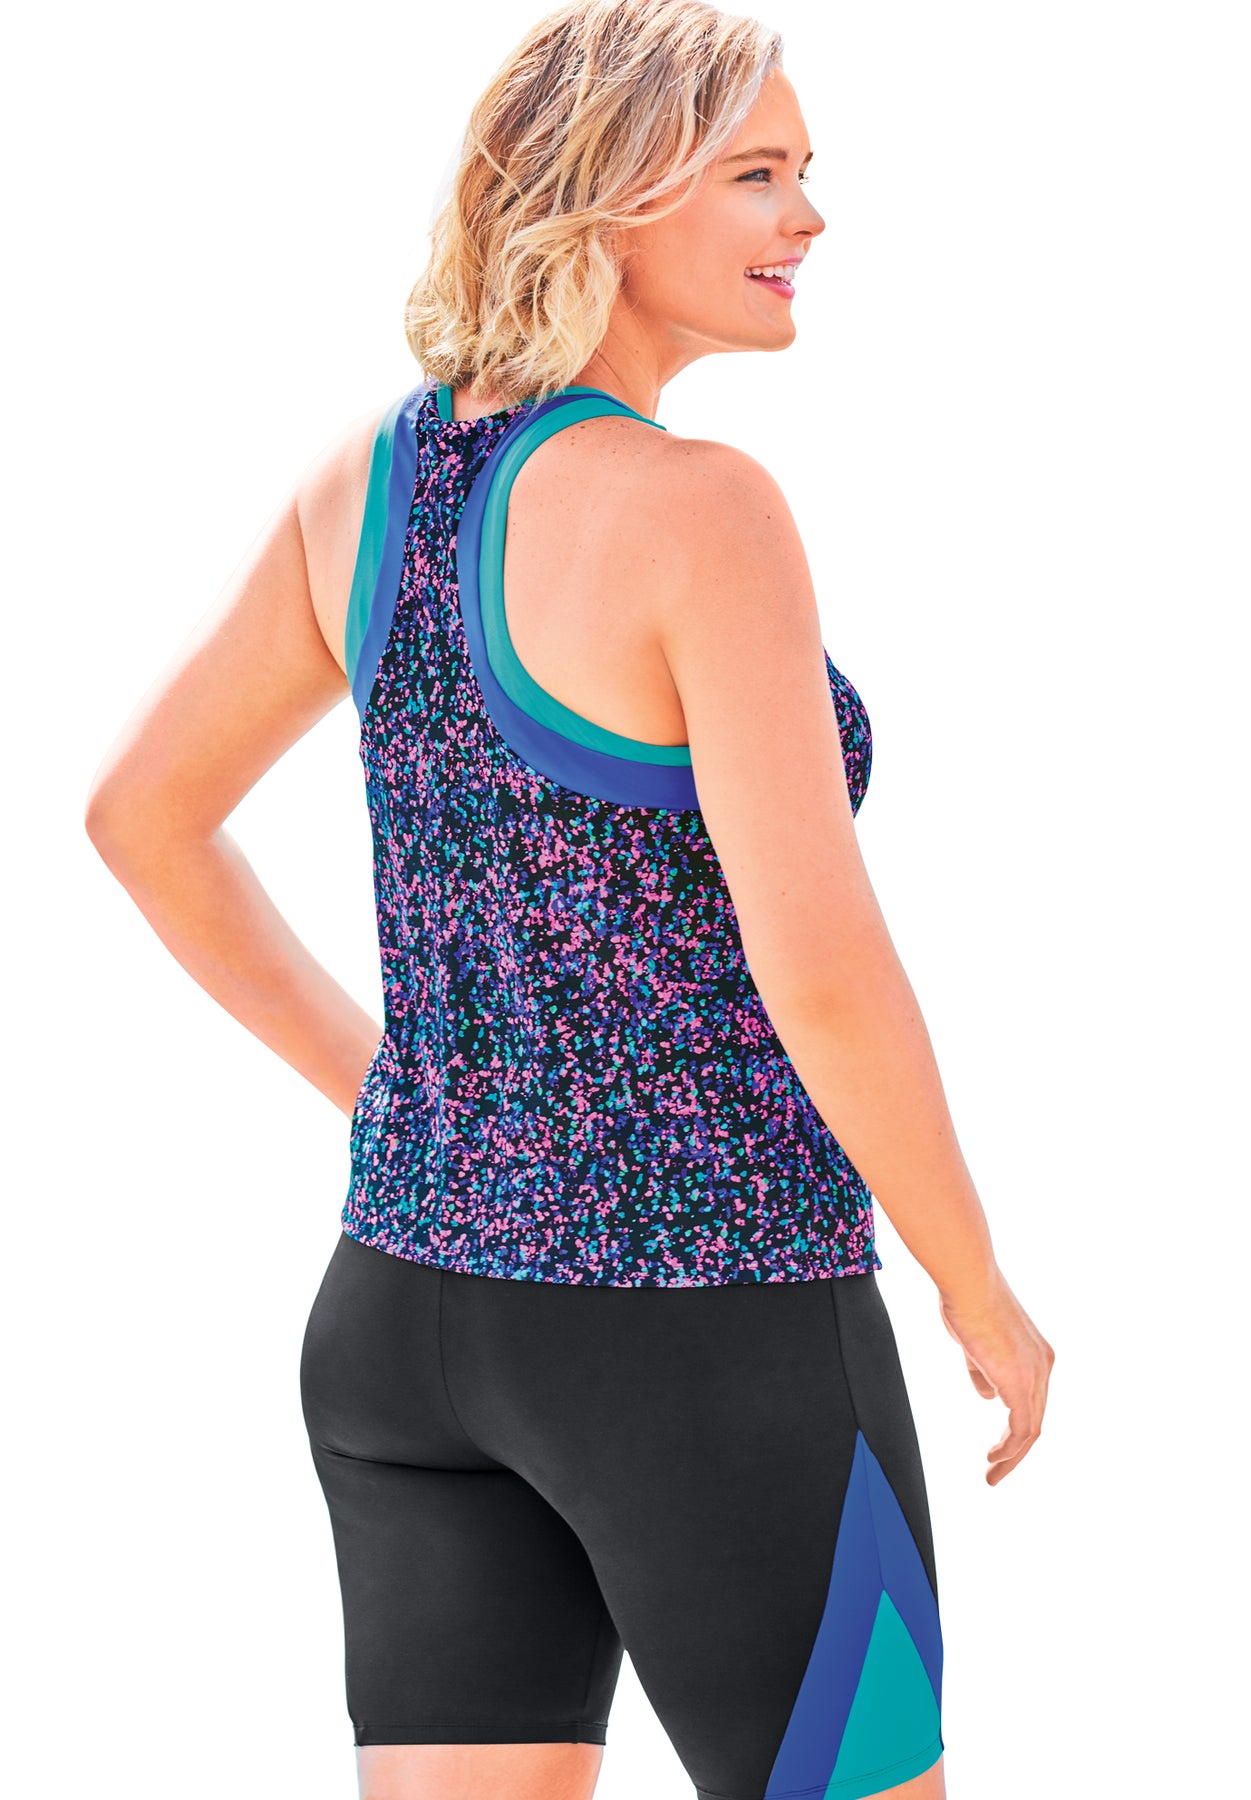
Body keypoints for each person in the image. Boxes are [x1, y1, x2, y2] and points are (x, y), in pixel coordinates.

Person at [84, 2, 1054, 1796]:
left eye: (805, 171)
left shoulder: (369, 487)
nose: (810, 215)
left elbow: (145, 815)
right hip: (709, 1320)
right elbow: (822, 970)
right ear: (609, 193)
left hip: (403, 1319)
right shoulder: (702, 511)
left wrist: (403, 1101)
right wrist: (975, 1283)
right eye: (757, 174)